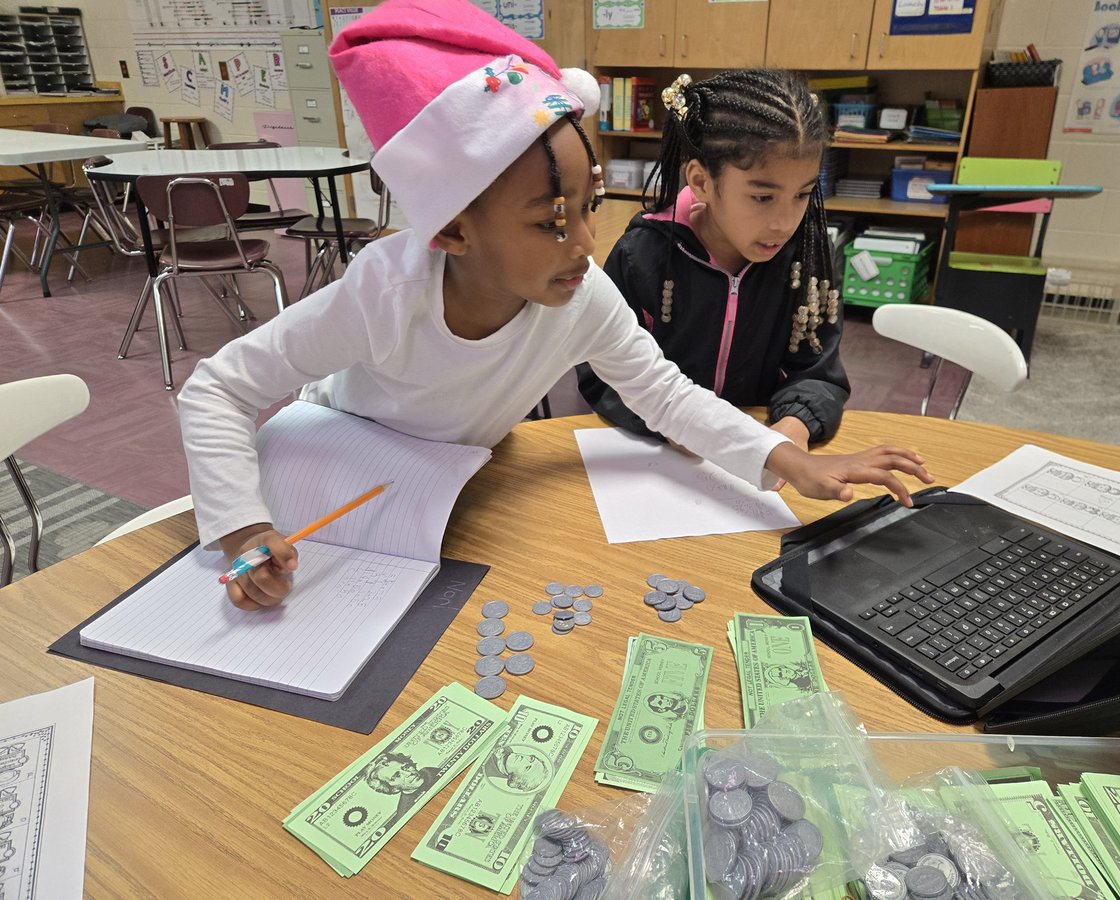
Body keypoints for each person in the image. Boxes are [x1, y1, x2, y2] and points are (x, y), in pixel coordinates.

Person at [177, 0, 931, 612]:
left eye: (590, 204)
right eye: (549, 219)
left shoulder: (581, 293)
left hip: (455, 473)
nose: (584, 242)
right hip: (342, 457)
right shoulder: (385, 291)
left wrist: (787, 460)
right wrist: (244, 527)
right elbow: (216, 387)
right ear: (450, 229)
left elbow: (663, 394)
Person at [577, 69, 848, 454]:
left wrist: (797, 422)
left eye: (802, 195)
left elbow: (818, 371)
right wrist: (678, 427)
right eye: (762, 197)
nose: (785, 223)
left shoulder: (806, 259)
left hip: (756, 446)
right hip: (661, 454)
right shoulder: (643, 256)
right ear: (702, 182)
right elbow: (603, 374)